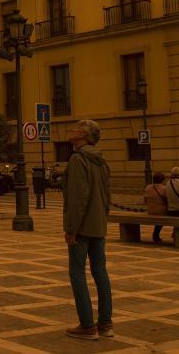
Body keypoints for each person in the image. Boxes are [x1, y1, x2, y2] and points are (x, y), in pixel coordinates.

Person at [62, 120, 113, 340]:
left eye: (74, 129)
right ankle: (105, 323)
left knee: (77, 272)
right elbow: (107, 194)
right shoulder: (101, 161)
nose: (70, 131)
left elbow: (77, 198)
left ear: (83, 135)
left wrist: (71, 228)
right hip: (99, 224)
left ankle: (87, 325)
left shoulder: (77, 160)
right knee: (100, 272)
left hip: (82, 227)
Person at [143, 172, 168, 242]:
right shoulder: (164, 188)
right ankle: (174, 233)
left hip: (150, 211)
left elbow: (145, 200)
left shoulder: (148, 187)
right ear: (163, 180)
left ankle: (156, 234)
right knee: (176, 213)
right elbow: (168, 199)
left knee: (159, 214)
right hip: (161, 212)